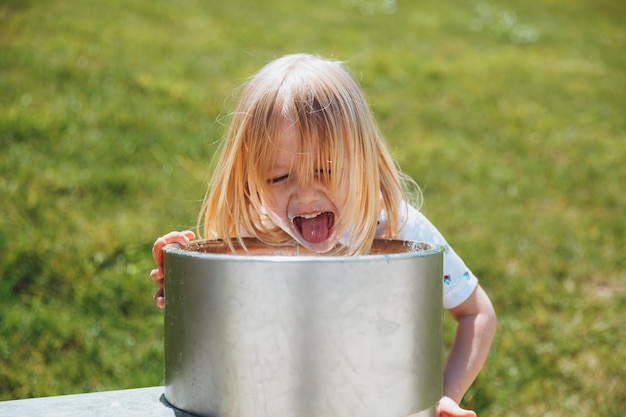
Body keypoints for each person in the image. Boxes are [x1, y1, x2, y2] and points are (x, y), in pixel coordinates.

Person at [150, 53, 496, 417]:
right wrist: (185, 279)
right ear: (251, 177)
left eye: (327, 170)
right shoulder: (252, 239)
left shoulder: (399, 232)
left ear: (363, 159)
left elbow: (476, 312)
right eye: (279, 178)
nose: (306, 196)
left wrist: (445, 395)